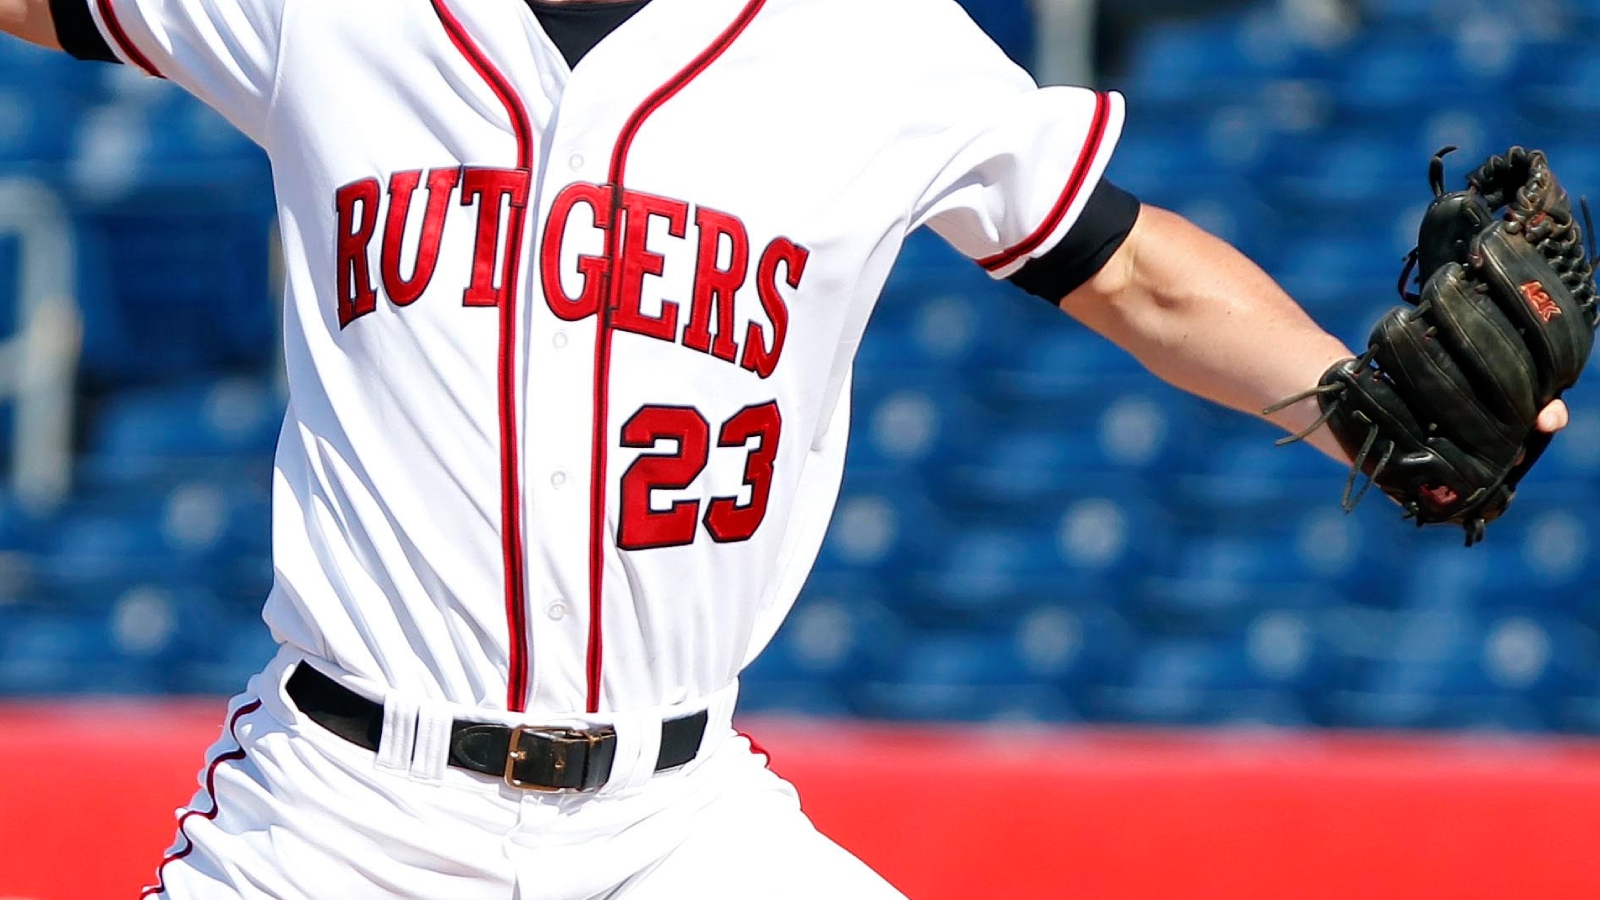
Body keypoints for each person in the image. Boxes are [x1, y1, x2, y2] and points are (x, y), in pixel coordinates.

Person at [0, 0, 1570, 897]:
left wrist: (1357, 415)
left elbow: (1133, 265)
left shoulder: (867, 40)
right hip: (343, 814)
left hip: (674, 824)